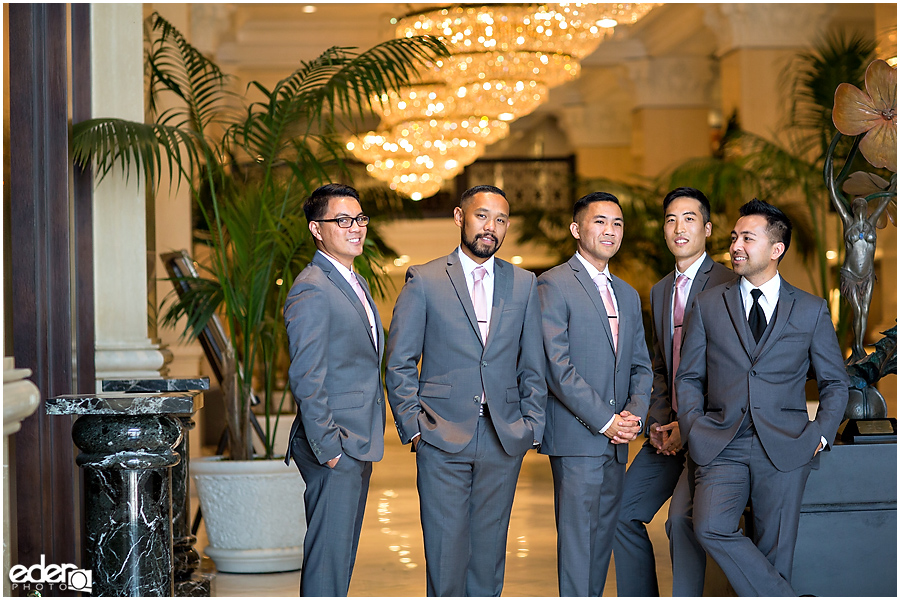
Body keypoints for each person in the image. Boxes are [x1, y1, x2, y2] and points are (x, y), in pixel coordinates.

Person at [676, 199, 849, 596]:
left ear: (776, 249)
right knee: (709, 526)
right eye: (734, 237)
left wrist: (819, 435)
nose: (735, 245)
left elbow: (835, 384)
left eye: (747, 238)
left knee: (775, 554)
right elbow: (688, 377)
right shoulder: (707, 305)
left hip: (788, 447)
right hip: (722, 443)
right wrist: (695, 427)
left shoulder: (810, 310)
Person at [385, 184, 546, 597]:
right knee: (444, 553)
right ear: (460, 218)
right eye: (482, 216)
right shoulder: (424, 279)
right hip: (440, 436)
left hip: (502, 436)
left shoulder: (525, 283)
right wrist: (414, 427)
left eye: (501, 220)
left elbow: (532, 365)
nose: (490, 228)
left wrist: (531, 425)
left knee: (489, 556)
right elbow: (400, 361)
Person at [614, 187, 735, 596]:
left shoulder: (728, 283)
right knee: (621, 513)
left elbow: (730, 373)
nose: (678, 227)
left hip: (711, 432)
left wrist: (690, 424)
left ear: (708, 228)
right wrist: (657, 421)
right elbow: (662, 365)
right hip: (669, 430)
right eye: (670, 219)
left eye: (688, 218)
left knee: (679, 522)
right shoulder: (661, 289)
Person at [537, 191, 653, 597]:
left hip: (618, 441)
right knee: (577, 546)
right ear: (576, 229)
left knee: (601, 541)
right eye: (600, 221)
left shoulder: (627, 293)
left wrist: (634, 416)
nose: (610, 230)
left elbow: (642, 364)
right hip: (576, 438)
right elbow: (557, 367)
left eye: (617, 223)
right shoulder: (552, 284)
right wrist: (606, 422)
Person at [283, 183, 385, 596]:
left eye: (359, 218)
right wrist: (330, 449)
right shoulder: (312, 288)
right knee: (328, 560)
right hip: (335, 447)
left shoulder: (352, 282)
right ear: (317, 229)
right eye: (342, 220)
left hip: (355, 441)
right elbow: (307, 375)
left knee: (340, 556)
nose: (355, 227)